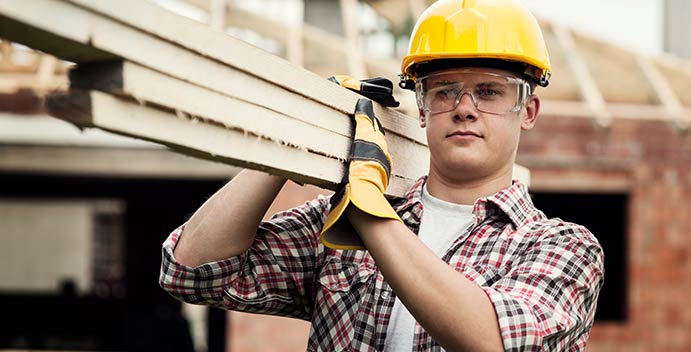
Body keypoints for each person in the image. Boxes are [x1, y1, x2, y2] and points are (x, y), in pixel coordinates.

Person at [159, 0, 604, 350]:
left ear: (527, 111)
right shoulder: (340, 220)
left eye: (488, 91)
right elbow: (191, 271)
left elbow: (494, 340)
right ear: (423, 108)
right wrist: (294, 140)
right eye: (444, 90)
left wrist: (366, 211)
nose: (464, 107)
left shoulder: (562, 247)